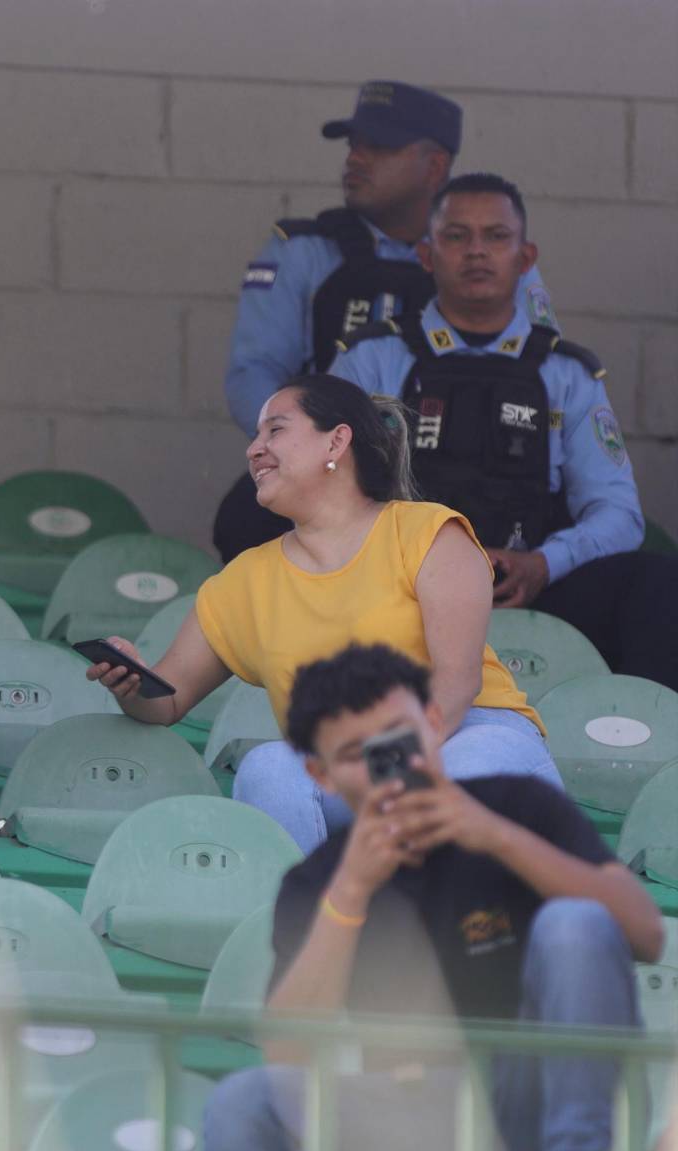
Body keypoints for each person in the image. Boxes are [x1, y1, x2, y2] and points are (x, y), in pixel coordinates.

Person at [202, 642, 661, 1151]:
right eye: (358, 754)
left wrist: (495, 836)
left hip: (540, 1092)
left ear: (435, 724)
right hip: (413, 1108)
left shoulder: (518, 805)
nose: (387, 768)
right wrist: (351, 890)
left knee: (574, 921)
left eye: (399, 740)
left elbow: (644, 933)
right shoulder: (319, 879)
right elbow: (287, 1051)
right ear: (321, 775)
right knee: (241, 1105)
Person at [87, 371, 561, 854]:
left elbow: (456, 686)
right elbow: (165, 702)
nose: (254, 449)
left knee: (468, 767)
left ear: (336, 442)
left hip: (468, 737)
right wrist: (131, 683)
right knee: (268, 767)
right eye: (255, 435)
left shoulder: (429, 532)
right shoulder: (243, 580)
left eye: (275, 430)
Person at [331, 172, 678, 690]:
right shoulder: (372, 357)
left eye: (496, 237)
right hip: (396, 586)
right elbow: (323, 487)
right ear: (426, 256)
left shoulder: (568, 374)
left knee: (658, 585)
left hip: (529, 584)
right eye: (456, 236)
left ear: (525, 258)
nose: (476, 252)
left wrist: (543, 563)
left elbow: (618, 513)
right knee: (255, 511)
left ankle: (650, 745)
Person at [215, 80, 556, 563]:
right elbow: (253, 372)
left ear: (434, 166)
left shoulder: (493, 258)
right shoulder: (305, 250)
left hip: (475, 465)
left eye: (379, 147)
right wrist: (300, 449)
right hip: (339, 468)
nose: (356, 158)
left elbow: (539, 370)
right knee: (243, 520)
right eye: (354, 144)